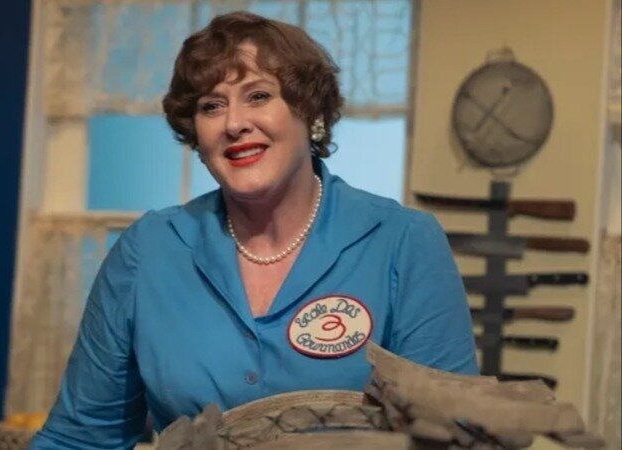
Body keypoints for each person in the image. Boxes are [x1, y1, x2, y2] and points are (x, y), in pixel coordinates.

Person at [30, 11, 477, 449]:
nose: (234, 123)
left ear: (309, 111)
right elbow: (79, 438)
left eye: (258, 96)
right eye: (212, 106)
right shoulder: (147, 252)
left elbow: (452, 436)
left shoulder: (402, 242)